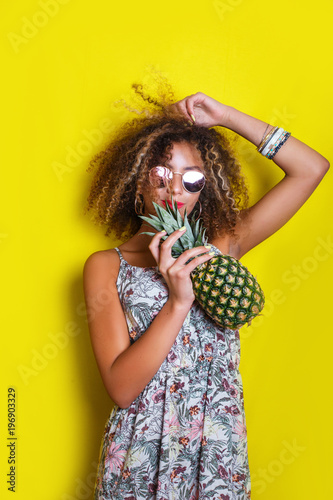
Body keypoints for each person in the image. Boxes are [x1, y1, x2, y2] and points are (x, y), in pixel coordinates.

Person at [83, 88, 329, 500]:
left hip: (217, 448)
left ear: (204, 187)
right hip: (141, 452)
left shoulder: (222, 246)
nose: (175, 188)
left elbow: (311, 168)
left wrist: (227, 117)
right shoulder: (107, 265)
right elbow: (121, 388)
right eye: (162, 173)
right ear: (138, 178)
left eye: (191, 177)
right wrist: (179, 302)